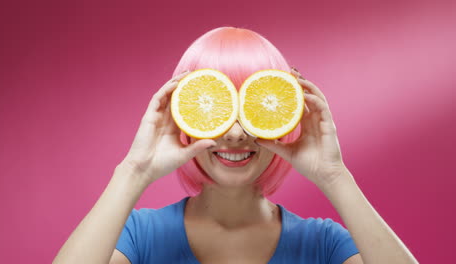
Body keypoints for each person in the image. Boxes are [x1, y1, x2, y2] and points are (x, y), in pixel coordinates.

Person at [53, 27, 418, 264]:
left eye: (253, 109)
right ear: (186, 114)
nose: (236, 133)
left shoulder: (322, 244)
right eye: (217, 108)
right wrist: (134, 171)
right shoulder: (138, 236)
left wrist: (335, 176)